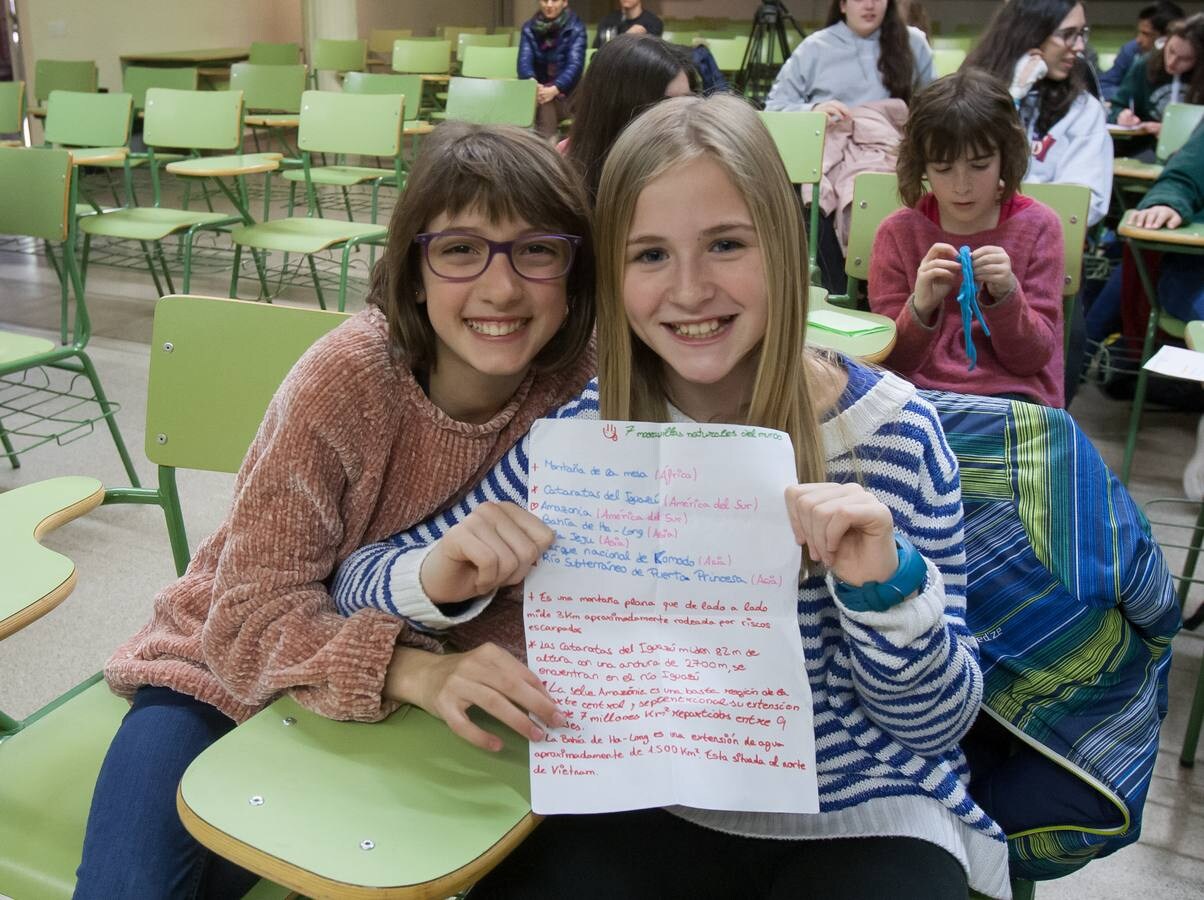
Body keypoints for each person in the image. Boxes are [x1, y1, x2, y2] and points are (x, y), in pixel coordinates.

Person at [332, 93, 1011, 899]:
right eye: (649, 255)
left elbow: (934, 725)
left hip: (860, 812)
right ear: (611, 275)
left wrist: (888, 589)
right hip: (645, 797)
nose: (689, 290)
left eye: (726, 244)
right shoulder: (584, 440)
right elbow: (357, 581)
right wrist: (442, 572)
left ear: (785, 251)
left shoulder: (892, 436)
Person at [70, 122, 598, 899]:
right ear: (413, 273)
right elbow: (246, 616)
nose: (501, 288)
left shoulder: (586, 389)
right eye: (459, 250)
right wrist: (411, 669)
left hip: (426, 722)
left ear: (572, 270)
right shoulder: (348, 377)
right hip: (221, 672)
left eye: (537, 250)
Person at [868, 69, 1067, 408]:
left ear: (1005, 158)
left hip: (1012, 400)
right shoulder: (898, 233)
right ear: (922, 167)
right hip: (917, 398)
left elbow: (1033, 359)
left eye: (979, 166)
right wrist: (920, 306)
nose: (961, 185)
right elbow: (893, 361)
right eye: (943, 169)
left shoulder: (1040, 227)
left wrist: (1006, 297)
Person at [964, 0, 1113, 227]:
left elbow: (1082, 205)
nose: (1080, 46)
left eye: (1082, 33)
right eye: (1068, 34)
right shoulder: (970, 92)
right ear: (1031, 33)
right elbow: (959, 171)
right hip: (968, 239)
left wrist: (1007, 205)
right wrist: (1013, 97)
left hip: (1042, 244)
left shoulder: (1083, 109)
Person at [565, 34, 697, 201]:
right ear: (622, 111)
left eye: (687, 101)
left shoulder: (692, 168)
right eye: (667, 105)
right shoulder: (563, 180)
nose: (683, 116)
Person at [764, 0, 935, 118]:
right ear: (843, 5)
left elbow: (934, 105)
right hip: (833, 149)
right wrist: (813, 111)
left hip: (893, 149)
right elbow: (775, 107)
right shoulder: (814, 48)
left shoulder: (913, 42)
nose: (869, 6)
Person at [1112, 13, 1204, 133]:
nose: (1172, 62)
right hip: (1145, 145)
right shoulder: (1144, 65)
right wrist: (1121, 115)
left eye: (1185, 59)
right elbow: (1116, 106)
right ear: (1166, 42)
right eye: (1171, 50)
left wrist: (1169, 131)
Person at [518, 0, 588, 139]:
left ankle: (545, 147)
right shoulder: (529, 28)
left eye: (555, 0)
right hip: (538, 93)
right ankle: (549, 148)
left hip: (568, 95)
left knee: (545, 102)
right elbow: (524, 62)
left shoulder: (576, 27)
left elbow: (575, 66)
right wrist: (533, 84)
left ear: (565, 2)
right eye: (545, 0)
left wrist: (555, 88)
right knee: (543, 100)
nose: (549, 5)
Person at [1098, 1, 1184, 101]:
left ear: (1167, 37)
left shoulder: (1187, 56)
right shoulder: (1131, 50)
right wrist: (1130, 97)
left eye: (1146, 34)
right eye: (1139, 32)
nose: (1138, 40)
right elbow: (1104, 85)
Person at [594, 0, 664, 47]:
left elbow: (652, 58)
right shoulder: (607, 20)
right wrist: (626, 38)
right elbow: (596, 53)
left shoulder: (653, 22)